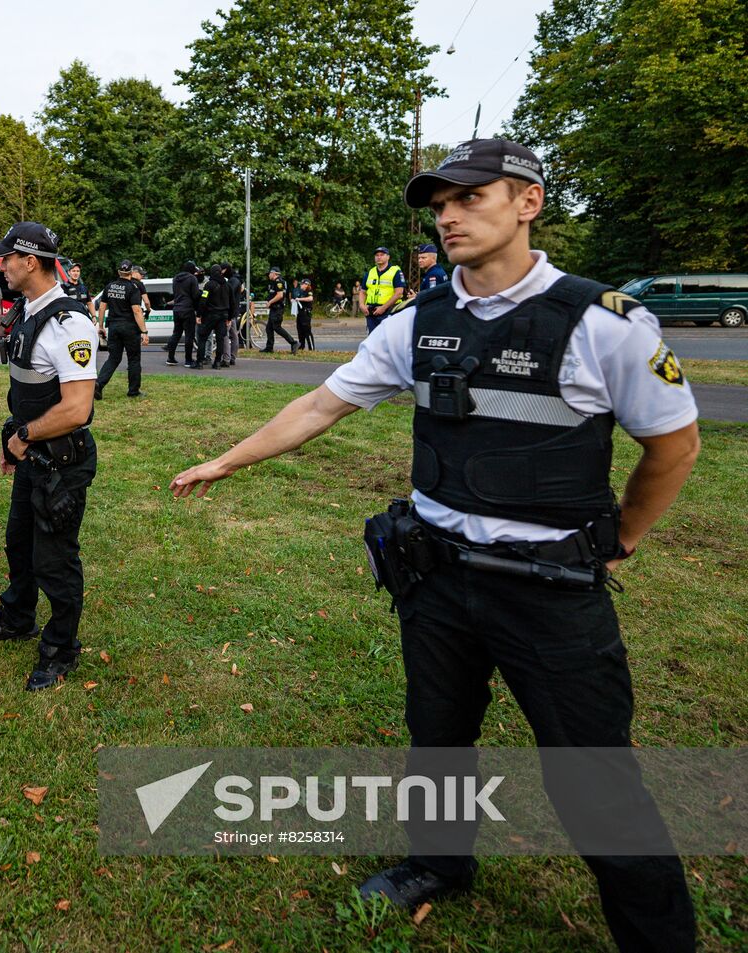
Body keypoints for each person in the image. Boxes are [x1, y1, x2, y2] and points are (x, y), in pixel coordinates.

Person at [171, 137, 699, 953]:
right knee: (438, 735)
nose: (448, 216)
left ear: (528, 201)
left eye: (470, 198)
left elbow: (674, 445)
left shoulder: (603, 325)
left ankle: (657, 934)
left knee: (593, 776)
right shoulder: (418, 321)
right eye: (439, 204)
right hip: (438, 581)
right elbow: (319, 407)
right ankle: (439, 862)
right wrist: (227, 458)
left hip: (550, 592)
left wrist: (622, 536)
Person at [0, 222, 98, 691]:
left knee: (55, 559)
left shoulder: (71, 323)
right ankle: (18, 617)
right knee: (18, 544)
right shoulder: (29, 311)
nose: (0, 265)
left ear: (30, 262)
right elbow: (27, 389)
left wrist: (24, 435)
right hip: (32, 456)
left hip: (61, 464)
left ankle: (61, 648)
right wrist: (14, 437)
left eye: (6, 257)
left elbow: (77, 408)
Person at [94, 259, 147, 399]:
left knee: (113, 358)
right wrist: (144, 331)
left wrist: (100, 326)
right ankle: (133, 391)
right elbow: (136, 310)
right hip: (129, 327)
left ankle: (99, 384)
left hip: (114, 327)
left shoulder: (110, 286)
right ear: (131, 273)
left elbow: (102, 307)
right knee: (134, 359)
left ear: (119, 272)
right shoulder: (133, 288)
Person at [192, 264, 230, 369]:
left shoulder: (209, 285)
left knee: (203, 338)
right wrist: (229, 318)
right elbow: (231, 302)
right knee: (220, 339)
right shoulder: (227, 285)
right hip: (223, 316)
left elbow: (203, 301)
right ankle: (217, 362)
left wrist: (199, 315)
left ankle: (199, 362)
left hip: (210, 315)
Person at [167, 260, 202, 366]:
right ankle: (188, 360)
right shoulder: (192, 278)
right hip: (188, 309)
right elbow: (195, 295)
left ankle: (170, 357)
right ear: (191, 269)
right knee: (189, 335)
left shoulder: (175, 278)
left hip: (176, 309)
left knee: (176, 333)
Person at [363, 246, 406, 333]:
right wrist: (361, 305)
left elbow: (399, 293)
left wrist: (383, 308)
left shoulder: (395, 271)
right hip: (371, 312)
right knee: (372, 340)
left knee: (389, 340)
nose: (379, 257)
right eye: (377, 255)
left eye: (382, 255)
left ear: (388, 257)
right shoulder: (370, 272)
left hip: (389, 311)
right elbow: (363, 291)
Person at [260, 265, 298, 353]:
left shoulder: (279, 282)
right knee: (269, 328)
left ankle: (293, 342)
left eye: (270, 273)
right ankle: (269, 347)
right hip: (274, 309)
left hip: (277, 309)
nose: (268, 275)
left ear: (274, 273)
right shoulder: (274, 282)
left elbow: (280, 295)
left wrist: (270, 302)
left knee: (277, 327)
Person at [294, 278, 315, 350]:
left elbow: (310, 298)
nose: (301, 285)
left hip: (306, 313)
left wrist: (299, 299)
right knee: (300, 330)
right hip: (300, 313)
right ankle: (301, 346)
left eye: (302, 284)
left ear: (306, 285)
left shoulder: (309, 290)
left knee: (307, 331)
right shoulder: (300, 291)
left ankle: (311, 348)